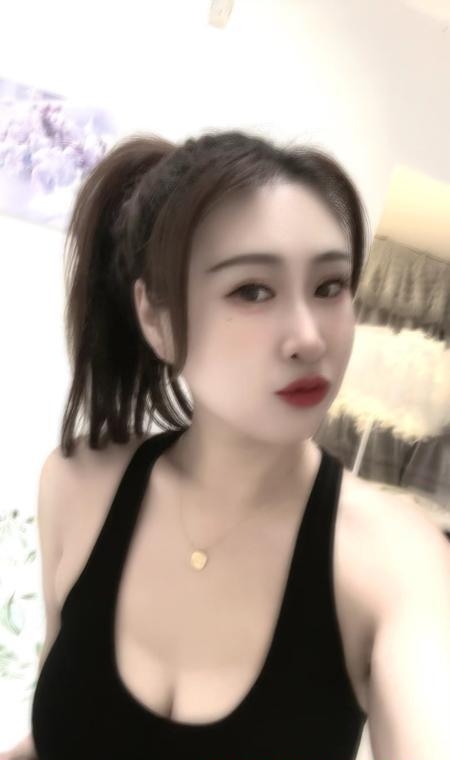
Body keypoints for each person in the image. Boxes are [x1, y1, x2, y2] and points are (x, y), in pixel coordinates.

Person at [2, 129, 449, 760]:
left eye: (329, 286)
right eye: (252, 290)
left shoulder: (397, 560)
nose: (309, 338)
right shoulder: (79, 485)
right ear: (157, 318)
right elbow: (61, 735)